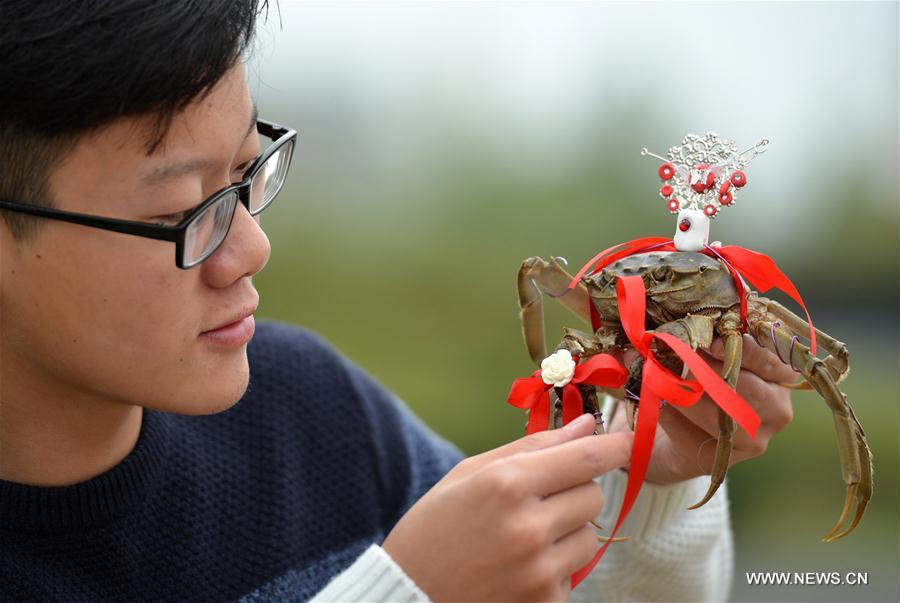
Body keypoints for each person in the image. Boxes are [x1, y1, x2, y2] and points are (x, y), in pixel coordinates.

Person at [0, 1, 796, 601]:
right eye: (180, 212)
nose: (250, 248)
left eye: (247, 173)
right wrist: (405, 589)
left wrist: (644, 483)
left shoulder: (316, 417)